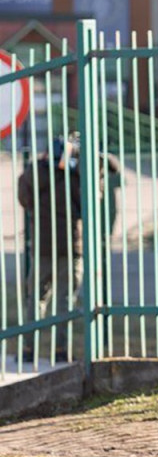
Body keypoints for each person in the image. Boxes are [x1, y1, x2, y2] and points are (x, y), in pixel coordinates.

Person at [17, 137, 83, 362]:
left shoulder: (35, 174)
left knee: (36, 297)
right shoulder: (74, 177)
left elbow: (24, 198)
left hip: (43, 245)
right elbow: (86, 204)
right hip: (69, 247)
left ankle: (28, 349)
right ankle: (61, 350)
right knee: (65, 298)